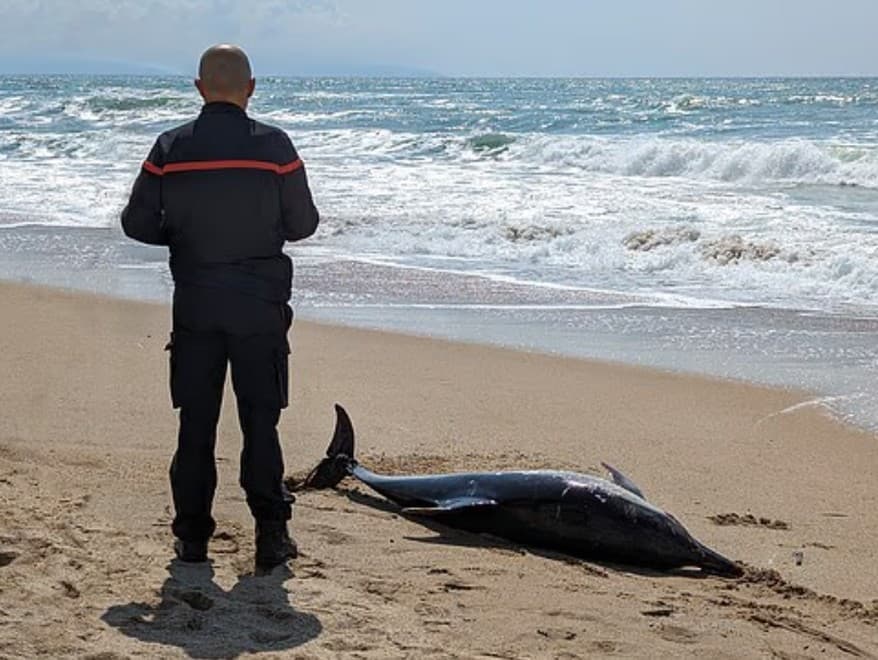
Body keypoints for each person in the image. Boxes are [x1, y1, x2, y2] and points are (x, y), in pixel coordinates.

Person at [121, 45, 319, 570]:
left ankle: (191, 540)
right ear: (251, 87)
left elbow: (135, 223)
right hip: (260, 307)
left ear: (198, 87)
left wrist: (183, 237)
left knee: (196, 424)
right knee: (260, 423)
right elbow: (303, 225)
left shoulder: (170, 146)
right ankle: (271, 539)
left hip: (197, 303)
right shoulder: (276, 147)